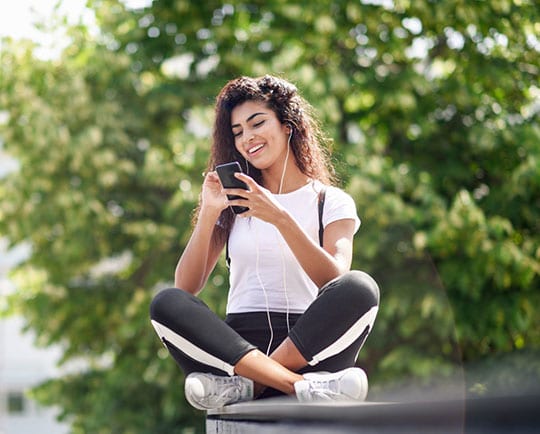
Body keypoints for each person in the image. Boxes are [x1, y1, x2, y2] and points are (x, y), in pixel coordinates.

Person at [150, 75, 380, 410]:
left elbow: (333, 280)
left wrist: (279, 217)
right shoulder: (232, 205)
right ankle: (295, 386)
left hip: (307, 347)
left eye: (257, 123)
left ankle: (251, 387)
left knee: (361, 287)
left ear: (288, 125)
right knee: (166, 302)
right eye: (238, 131)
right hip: (238, 352)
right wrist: (209, 212)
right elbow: (186, 286)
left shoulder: (331, 201)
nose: (247, 137)